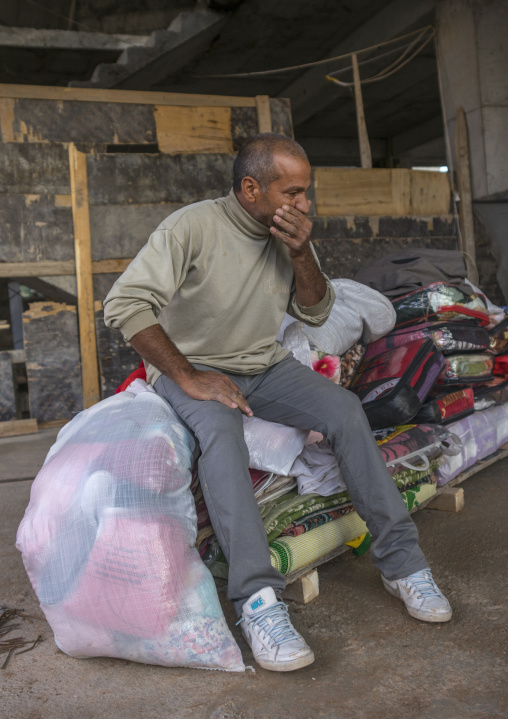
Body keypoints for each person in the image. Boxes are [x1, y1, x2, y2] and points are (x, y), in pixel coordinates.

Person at [103, 133, 452, 673]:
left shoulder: (285, 235)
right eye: (293, 192)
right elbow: (124, 303)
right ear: (250, 189)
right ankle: (258, 601)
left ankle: (403, 563)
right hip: (193, 367)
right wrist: (189, 376)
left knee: (343, 411)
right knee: (219, 436)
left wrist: (301, 253)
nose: (304, 204)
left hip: (262, 363)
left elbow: (314, 312)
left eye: (305, 192)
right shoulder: (191, 227)